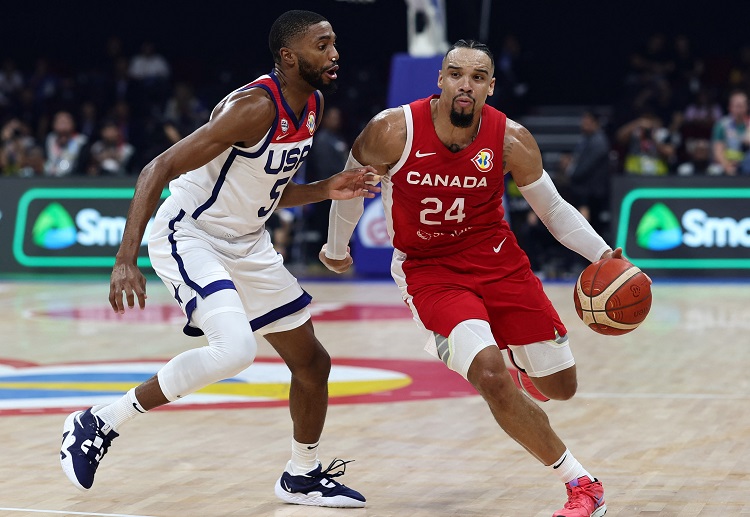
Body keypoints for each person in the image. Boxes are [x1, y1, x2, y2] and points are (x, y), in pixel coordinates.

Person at [59, 10, 380, 509]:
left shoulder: (312, 103)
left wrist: (324, 189)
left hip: (248, 240)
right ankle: (100, 421)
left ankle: (301, 474)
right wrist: (126, 258)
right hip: (191, 232)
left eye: (334, 43)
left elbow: (265, 190)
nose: (334, 53)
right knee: (234, 351)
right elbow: (156, 168)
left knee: (313, 363)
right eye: (322, 45)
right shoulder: (253, 108)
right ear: (289, 57)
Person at [320, 39, 629, 517]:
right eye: (456, 74)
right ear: (440, 79)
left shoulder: (512, 139)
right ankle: (582, 483)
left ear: (490, 86)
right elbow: (350, 190)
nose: (465, 84)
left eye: (477, 77)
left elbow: (551, 209)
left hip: (497, 259)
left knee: (561, 388)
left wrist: (605, 254)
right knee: (489, 373)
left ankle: (521, 370)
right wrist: (336, 250)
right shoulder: (391, 130)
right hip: (429, 270)